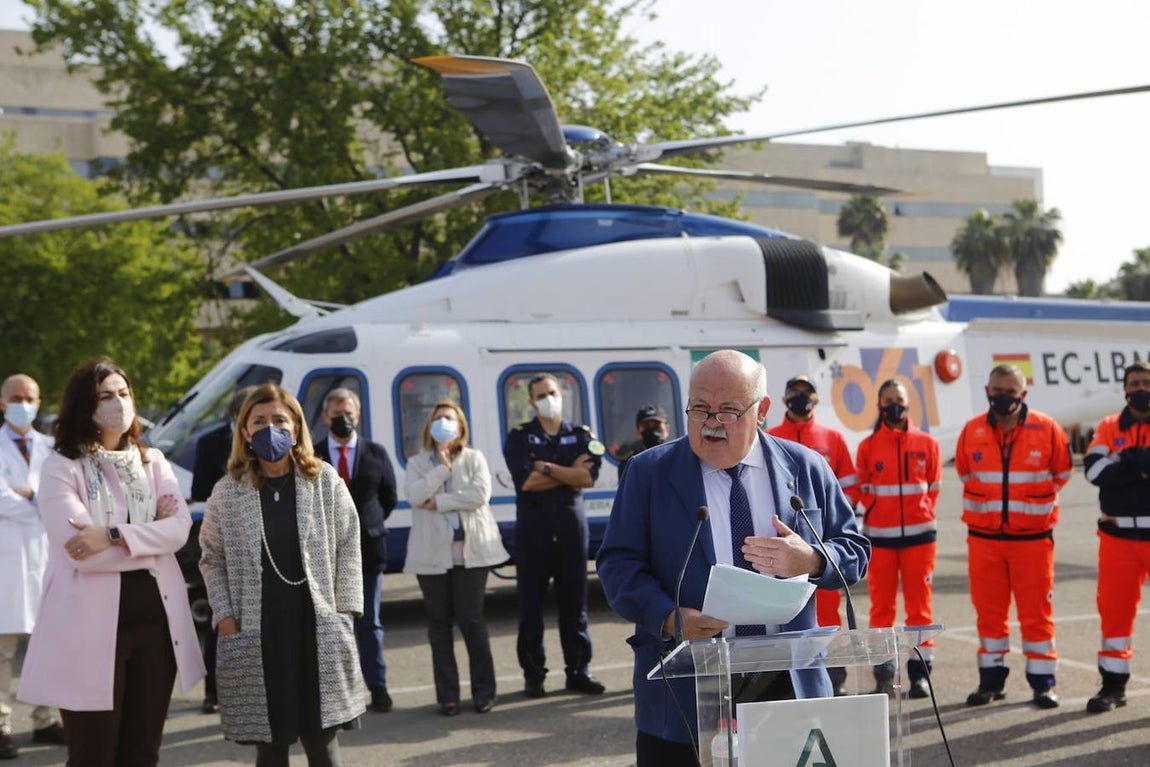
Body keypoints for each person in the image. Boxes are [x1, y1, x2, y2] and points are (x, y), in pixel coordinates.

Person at [597, 350, 870, 766]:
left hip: (788, 685)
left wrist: (813, 559)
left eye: (728, 410)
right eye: (699, 408)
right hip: (685, 689)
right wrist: (669, 618)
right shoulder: (648, 472)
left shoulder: (805, 467)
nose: (711, 422)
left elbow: (854, 550)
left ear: (762, 410)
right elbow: (618, 565)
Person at [17, 359, 206, 766]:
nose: (118, 403)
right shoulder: (62, 467)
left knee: (142, 753)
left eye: (123, 393)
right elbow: (83, 554)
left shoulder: (152, 462)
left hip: (156, 626)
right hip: (87, 630)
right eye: (106, 396)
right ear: (84, 406)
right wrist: (149, 538)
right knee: (94, 755)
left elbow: (178, 531)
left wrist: (113, 534)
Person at [199, 384, 364, 766]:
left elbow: (349, 543)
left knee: (322, 742)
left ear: (296, 427)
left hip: (316, 626)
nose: (269, 428)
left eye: (279, 419)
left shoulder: (323, 480)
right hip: (257, 630)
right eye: (259, 421)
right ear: (244, 431)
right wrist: (225, 618)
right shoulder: (228, 491)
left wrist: (344, 610)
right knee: (270, 746)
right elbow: (211, 557)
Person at [955, 363, 1072, 709]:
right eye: (997, 391)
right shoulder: (971, 430)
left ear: (1023, 394)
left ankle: (1043, 684)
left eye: (1010, 392)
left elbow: (1062, 472)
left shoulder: (1047, 429)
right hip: (984, 540)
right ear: (987, 392)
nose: (1003, 397)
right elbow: (965, 471)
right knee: (989, 614)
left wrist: (1030, 505)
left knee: (1037, 614)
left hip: (1032, 541)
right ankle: (991, 682)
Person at [502, 373, 605, 698]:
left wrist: (545, 467)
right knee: (530, 608)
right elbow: (526, 482)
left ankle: (579, 671)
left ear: (561, 394)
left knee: (575, 606)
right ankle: (534, 675)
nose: (548, 399)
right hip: (533, 532)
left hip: (571, 531)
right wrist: (568, 473)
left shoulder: (581, 435)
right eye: (541, 395)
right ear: (531, 402)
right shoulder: (520, 437)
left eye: (552, 392)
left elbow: (587, 478)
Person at [404, 400, 509, 715]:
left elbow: (480, 495)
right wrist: (441, 470)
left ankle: (484, 692)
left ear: (460, 425)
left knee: (472, 620)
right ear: (429, 426)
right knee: (438, 624)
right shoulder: (417, 462)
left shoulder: (475, 458)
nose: (443, 423)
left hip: (471, 554)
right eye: (437, 419)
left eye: (449, 418)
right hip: (432, 556)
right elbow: (415, 495)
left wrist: (440, 502)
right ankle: (447, 696)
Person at [766, 374, 861, 695]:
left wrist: (835, 521)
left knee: (828, 611)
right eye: (794, 392)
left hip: (823, 548)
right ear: (784, 399)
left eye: (806, 393)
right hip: (780, 548)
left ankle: (833, 676)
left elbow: (849, 487)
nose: (801, 398)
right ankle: (785, 678)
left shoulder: (832, 438)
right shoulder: (770, 438)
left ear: (816, 399)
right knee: (785, 614)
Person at [854, 379, 941, 699]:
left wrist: (920, 512)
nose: (895, 405)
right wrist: (880, 511)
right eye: (888, 399)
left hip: (920, 537)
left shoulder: (927, 443)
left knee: (920, 608)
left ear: (908, 403)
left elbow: (933, 487)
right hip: (880, 539)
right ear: (879, 404)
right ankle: (884, 672)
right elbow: (862, 488)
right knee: (882, 609)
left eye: (900, 399)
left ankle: (920, 674)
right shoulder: (868, 446)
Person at [313, 388, 398, 714]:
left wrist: (369, 524)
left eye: (348, 413)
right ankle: (338, 692)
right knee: (332, 625)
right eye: (336, 414)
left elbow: (388, 497)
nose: (343, 419)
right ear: (325, 417)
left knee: (369, 623)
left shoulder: (375, 452)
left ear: (358, 416)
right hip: (325, 553)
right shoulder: (314, 455)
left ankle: (378, 686)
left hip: (369, 550)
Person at [0, 374, 65, 758]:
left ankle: (46, 719)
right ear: (2, 402)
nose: (24, 404)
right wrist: (41, 501)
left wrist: (28, 494)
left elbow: (63, 496)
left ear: (39, 403)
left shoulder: (52, 449)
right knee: (2, 651)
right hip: (6, 562)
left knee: (48, 645)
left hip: (46, 558)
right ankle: (1, 725)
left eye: (30, 398)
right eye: (16, 397)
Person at [1082, 361, 1150, 713]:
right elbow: (1094, 470)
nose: (1141, 388)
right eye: (1135, 383)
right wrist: (1140, 466)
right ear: (1124, 389)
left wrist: (1124, 461)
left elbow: (1110, 470)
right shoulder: (1108, 426)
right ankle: (1112, 686)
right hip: (1118, 537)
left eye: (1146, 382)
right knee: (1115, 615)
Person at [189, 385, 255, 715]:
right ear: (234, 417)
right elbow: (200, 490)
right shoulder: (209, 443)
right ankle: (213, 692)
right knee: (220, 620)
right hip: (224, 545)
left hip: (262, 548)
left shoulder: (271, 440)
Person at [617, 404, 671, 481]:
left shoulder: (679, 459)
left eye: (656, 425)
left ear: (667, 428)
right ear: (637, 430)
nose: (652, 430)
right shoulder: (629, 465)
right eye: (646, 425)